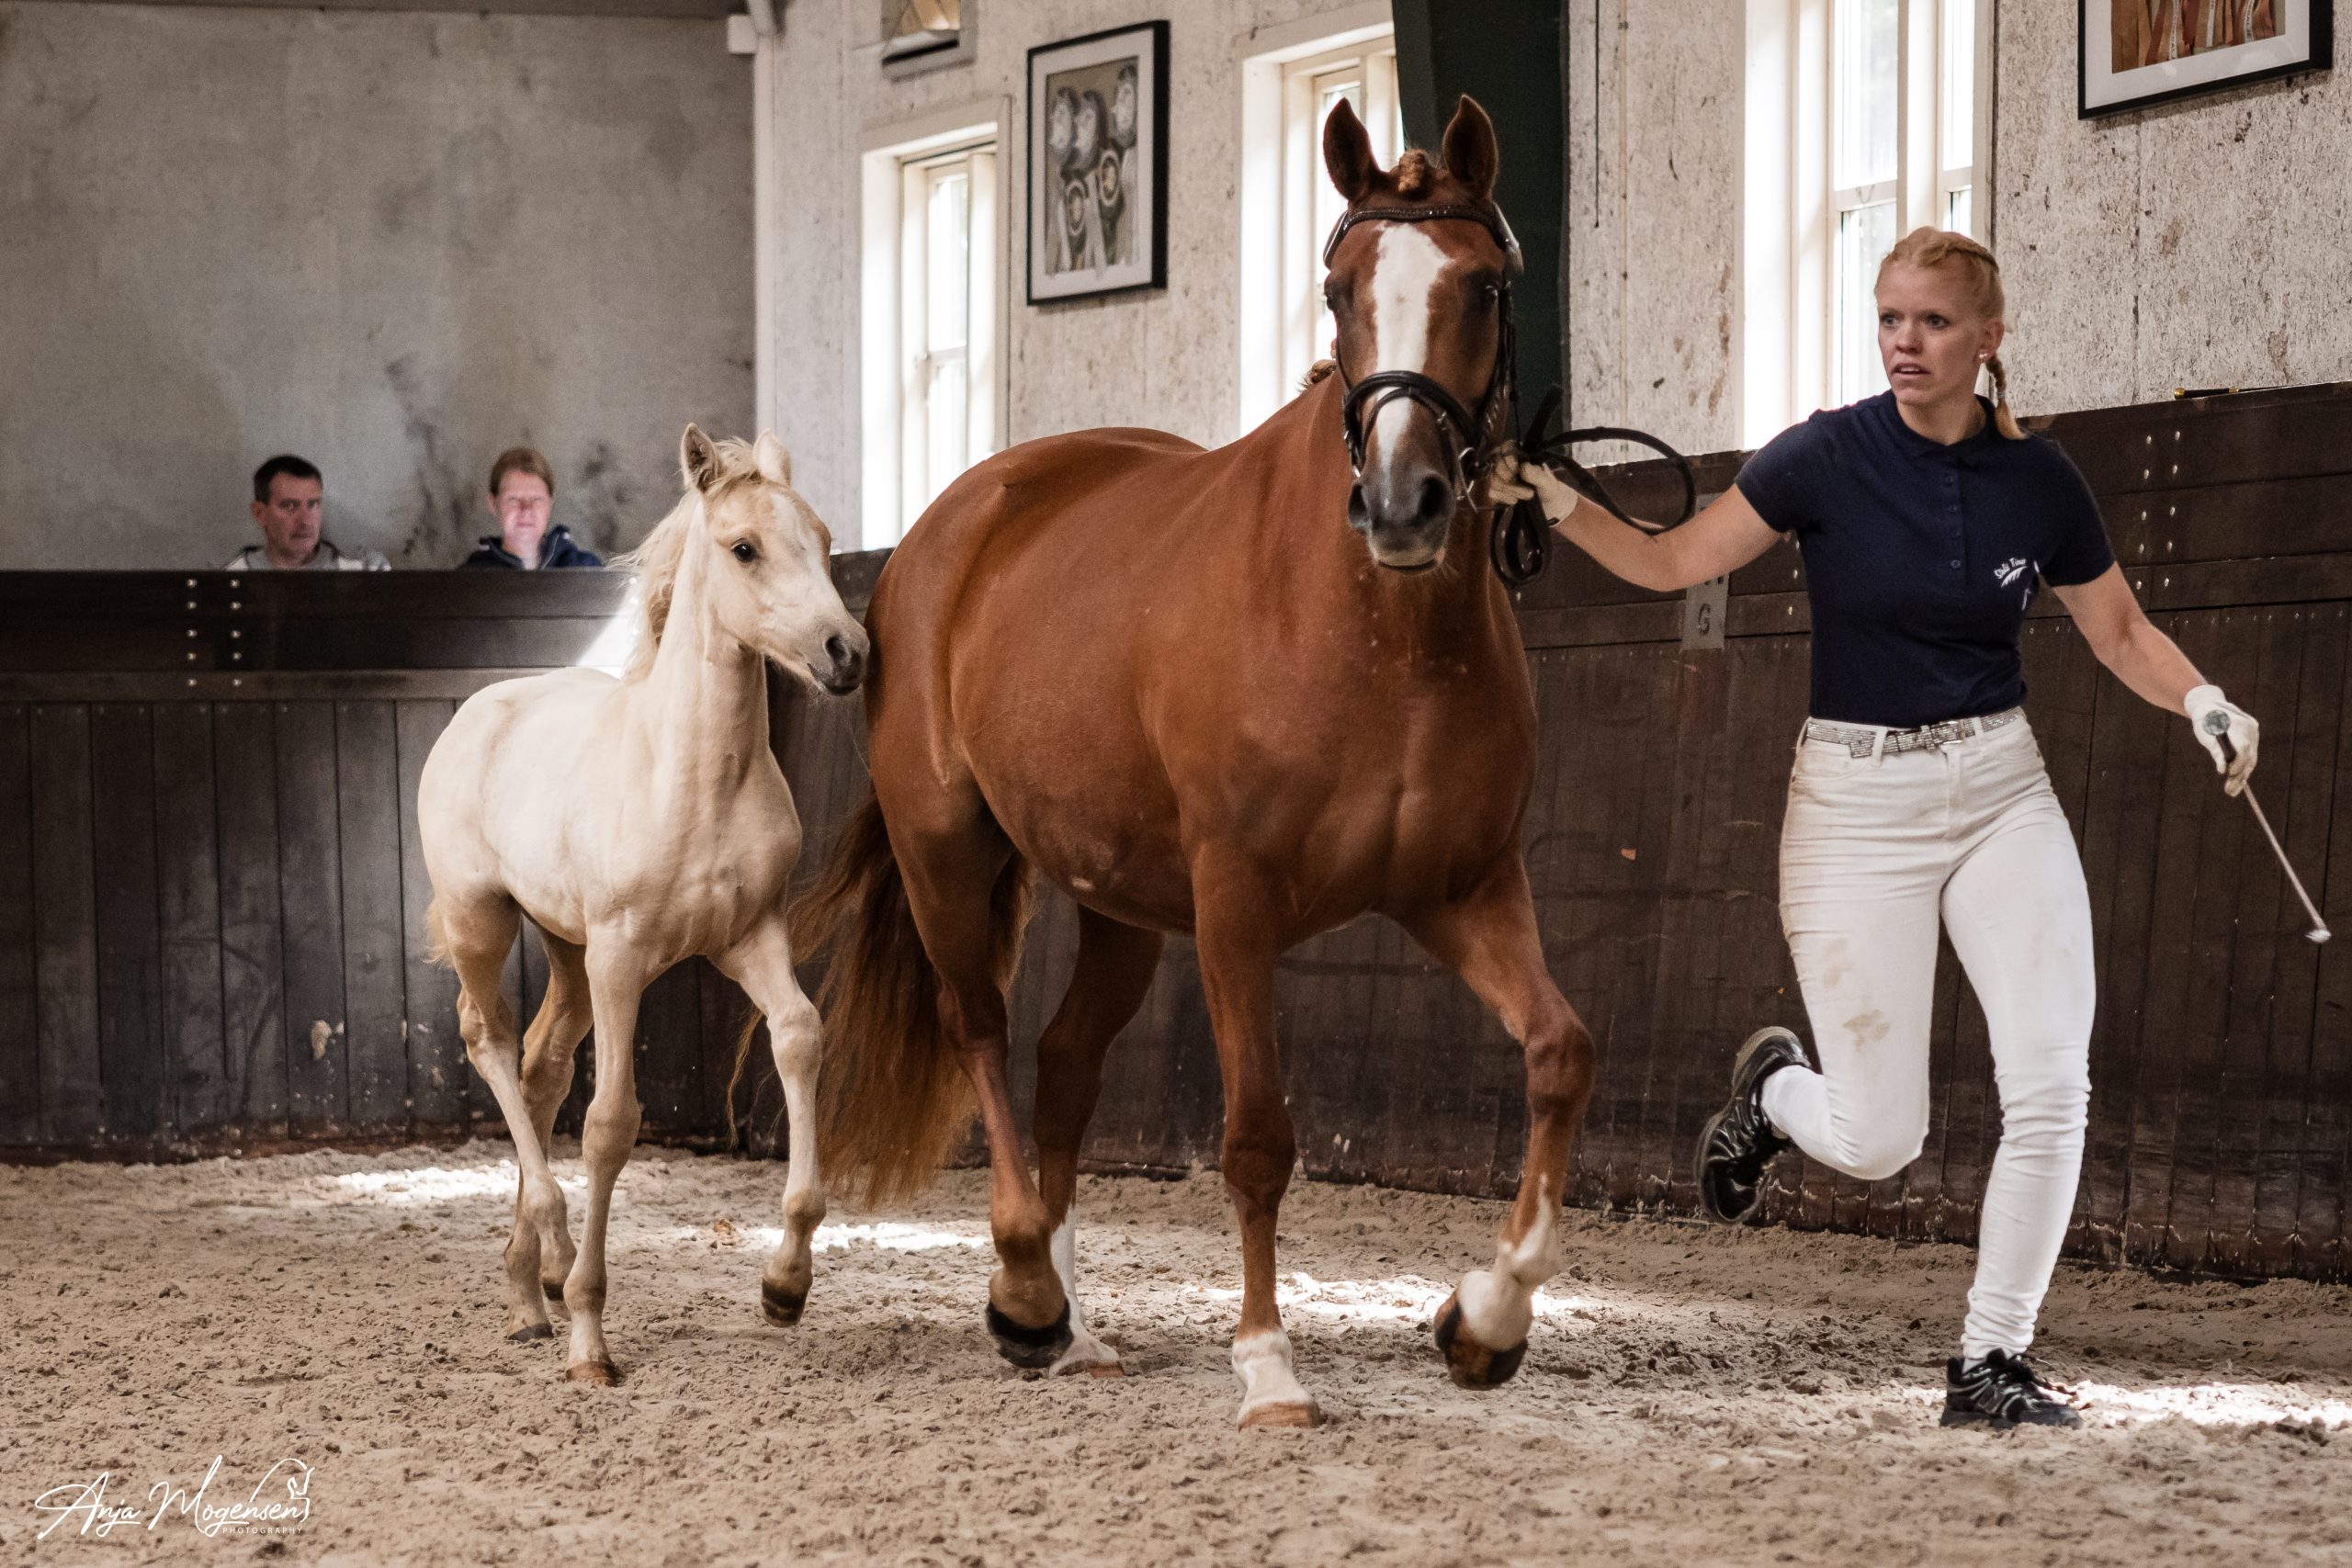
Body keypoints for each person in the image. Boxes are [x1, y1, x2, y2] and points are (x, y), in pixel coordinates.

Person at [1491, 226, 2262, 1430]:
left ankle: (1990, 1360)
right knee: (1878, 1135)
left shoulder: (2041, 481)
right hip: (1857, 804)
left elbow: (2118, 633)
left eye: (1934, 322)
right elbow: (1675, 560)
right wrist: (1557, 501)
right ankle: (1775, 1090)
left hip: (2001, 786)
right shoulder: (1824, 456)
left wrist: (2203, 697)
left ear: (1988, 340)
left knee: (2054, 1081)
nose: (1906, 341)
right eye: (1890, 317)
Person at [223, 455, 389, 571]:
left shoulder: (364, 570)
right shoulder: (226, 581)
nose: (305, 521)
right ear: (260, 513)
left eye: (313, 504)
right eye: (289, 506)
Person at [462, 447, 601, 570]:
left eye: (537, 499)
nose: (526, 509)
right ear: (493, 504)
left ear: (550, 503)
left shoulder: (587, 570)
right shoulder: (468, 580)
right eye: (514, 499)